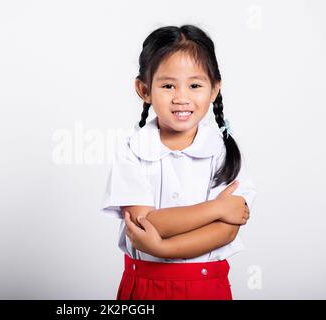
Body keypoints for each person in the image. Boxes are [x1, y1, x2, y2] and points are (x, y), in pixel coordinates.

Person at [100, 24, 257, 300]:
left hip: (207, 288)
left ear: (214, 89)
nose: (181, 97)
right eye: (168, 85)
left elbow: (225, 232)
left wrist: (161, 248)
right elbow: (146, 225)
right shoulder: (132, 150)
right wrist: (216, 208)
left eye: (195, 85)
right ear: (144, 89)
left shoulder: (223, 152)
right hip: (145, 288)